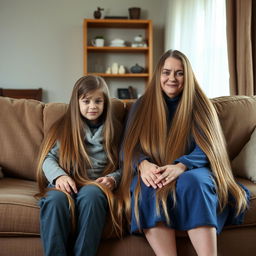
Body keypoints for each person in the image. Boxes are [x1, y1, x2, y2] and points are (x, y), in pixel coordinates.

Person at [118, 50, 250, 256]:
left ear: (187, 76)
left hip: (194, 169)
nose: (172, 78)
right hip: (156, 168)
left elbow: (209, 146)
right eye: (166, 72)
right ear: (158, 74)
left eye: (179, 73)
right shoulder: (141, 105)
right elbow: (128, 147)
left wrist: (181, 166)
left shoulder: (200, 104)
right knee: (148, 185)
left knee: (194, 183)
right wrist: (143, 164)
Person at [36, 75, 122, 256]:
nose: (93, 106)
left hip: (95, 184)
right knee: (55, 201)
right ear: (76, 103)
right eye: (86, 101)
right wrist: (59, 176)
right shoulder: (63, 128)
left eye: (98, 101)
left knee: (92, 196)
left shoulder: (115, 130)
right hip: (66, 181)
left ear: (105, 103)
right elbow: (47, 159)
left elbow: (126, 164)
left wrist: (113, 179)